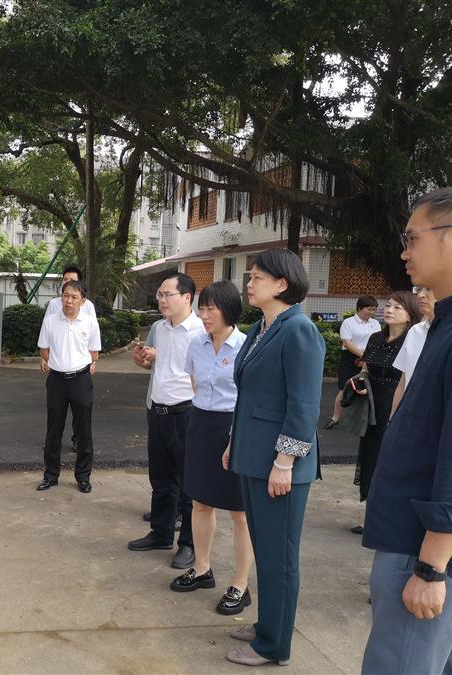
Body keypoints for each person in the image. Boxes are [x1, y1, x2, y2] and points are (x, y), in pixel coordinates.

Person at [361, 185, 452, 675]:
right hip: (425, 545)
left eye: (412, 238)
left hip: (426, 552)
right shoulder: (448, 324)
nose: (404, 252)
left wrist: (431, 568)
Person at [222, 249, 325, 667]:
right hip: (254, 456)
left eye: (257, 278)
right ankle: (269, 625)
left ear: (282, 284)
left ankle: (273, 645)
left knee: (279, 557)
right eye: (249, 277)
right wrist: (234, 441)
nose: (248, 283)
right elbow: (249, 396)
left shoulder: (299, 330)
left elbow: (304, 407)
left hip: (279, 467)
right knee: (266, 550)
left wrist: (285, 463)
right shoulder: (262, 328)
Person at [170, 281, 253, 617]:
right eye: (201, 308)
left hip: (234, 427)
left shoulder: (246, 347)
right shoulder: (197, 343)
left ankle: (240, 584)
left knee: (240, 512)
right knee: (200, 502)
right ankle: (202, 568)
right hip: (201, 424)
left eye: (211, 309)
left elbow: (249, 397)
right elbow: (194, 381)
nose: (204, 315)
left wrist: (235, 437)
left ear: (229, 310)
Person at [127, 272, 204, 571]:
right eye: (159, 294)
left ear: (187, 297)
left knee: (189, 483)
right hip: (157, 411)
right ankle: (160, 534)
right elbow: (155, 366)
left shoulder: (200, 331)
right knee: (160, 478)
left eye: (167, 294)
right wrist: (144, 361)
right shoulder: (159, 328)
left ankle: (189, 544)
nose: (161, 299)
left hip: (186, 413)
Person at [350, 290, 420, 534]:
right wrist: (361, 381)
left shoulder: (414, 339)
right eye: (388, 305)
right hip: (372, 405)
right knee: (371, 459)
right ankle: (370, 516)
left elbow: (406, 379)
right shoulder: (376, 338)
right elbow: (366, 368)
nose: (389, 310)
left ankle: (389, 518)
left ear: (410, 314)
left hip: (397, 403)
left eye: (397, 307)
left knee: (391, 462)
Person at [36, 279, 101, 493]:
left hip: (81, 380)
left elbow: (94, 353)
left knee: (84, 430)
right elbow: (44, 349)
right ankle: (50, 475)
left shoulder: (89, 322)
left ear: (82, 300)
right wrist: (59, 362)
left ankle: (83, 476)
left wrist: (76, 363)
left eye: (74, 297)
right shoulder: (51, 321)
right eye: (65, 296)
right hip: (57, 381)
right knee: (53, 429)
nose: (69, 301)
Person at [45, 264, 96, 452]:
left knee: (81, 412)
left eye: (72, 280)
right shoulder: (53, 305)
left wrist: (92, 362)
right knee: (55, 414)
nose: (68, 283)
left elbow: (92, 337)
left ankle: (77, 439)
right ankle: (52, 451)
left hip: (80, 368)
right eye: (65, 280)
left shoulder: (88, 306)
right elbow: (47, 336)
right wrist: (46, 359)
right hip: (58, 367)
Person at [324, 295, 380, 429]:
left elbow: (378, 341)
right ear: (359, 308)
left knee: (368, 389)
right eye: (369, 309)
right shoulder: (348, 322)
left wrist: (369, 358)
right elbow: (347, 343)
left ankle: (366, 420)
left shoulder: (375, 323)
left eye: (374, 309)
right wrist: (364, 356)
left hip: (369, 359)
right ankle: (335, 417)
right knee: (344, 388)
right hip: (350, 359)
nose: (371, 312)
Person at [389, 286, 435, 418]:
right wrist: (392, 420)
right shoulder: (415, 331)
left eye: (429, 289)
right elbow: (403, 381)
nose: (420, 295)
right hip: (409, 416)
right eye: (419, 289)